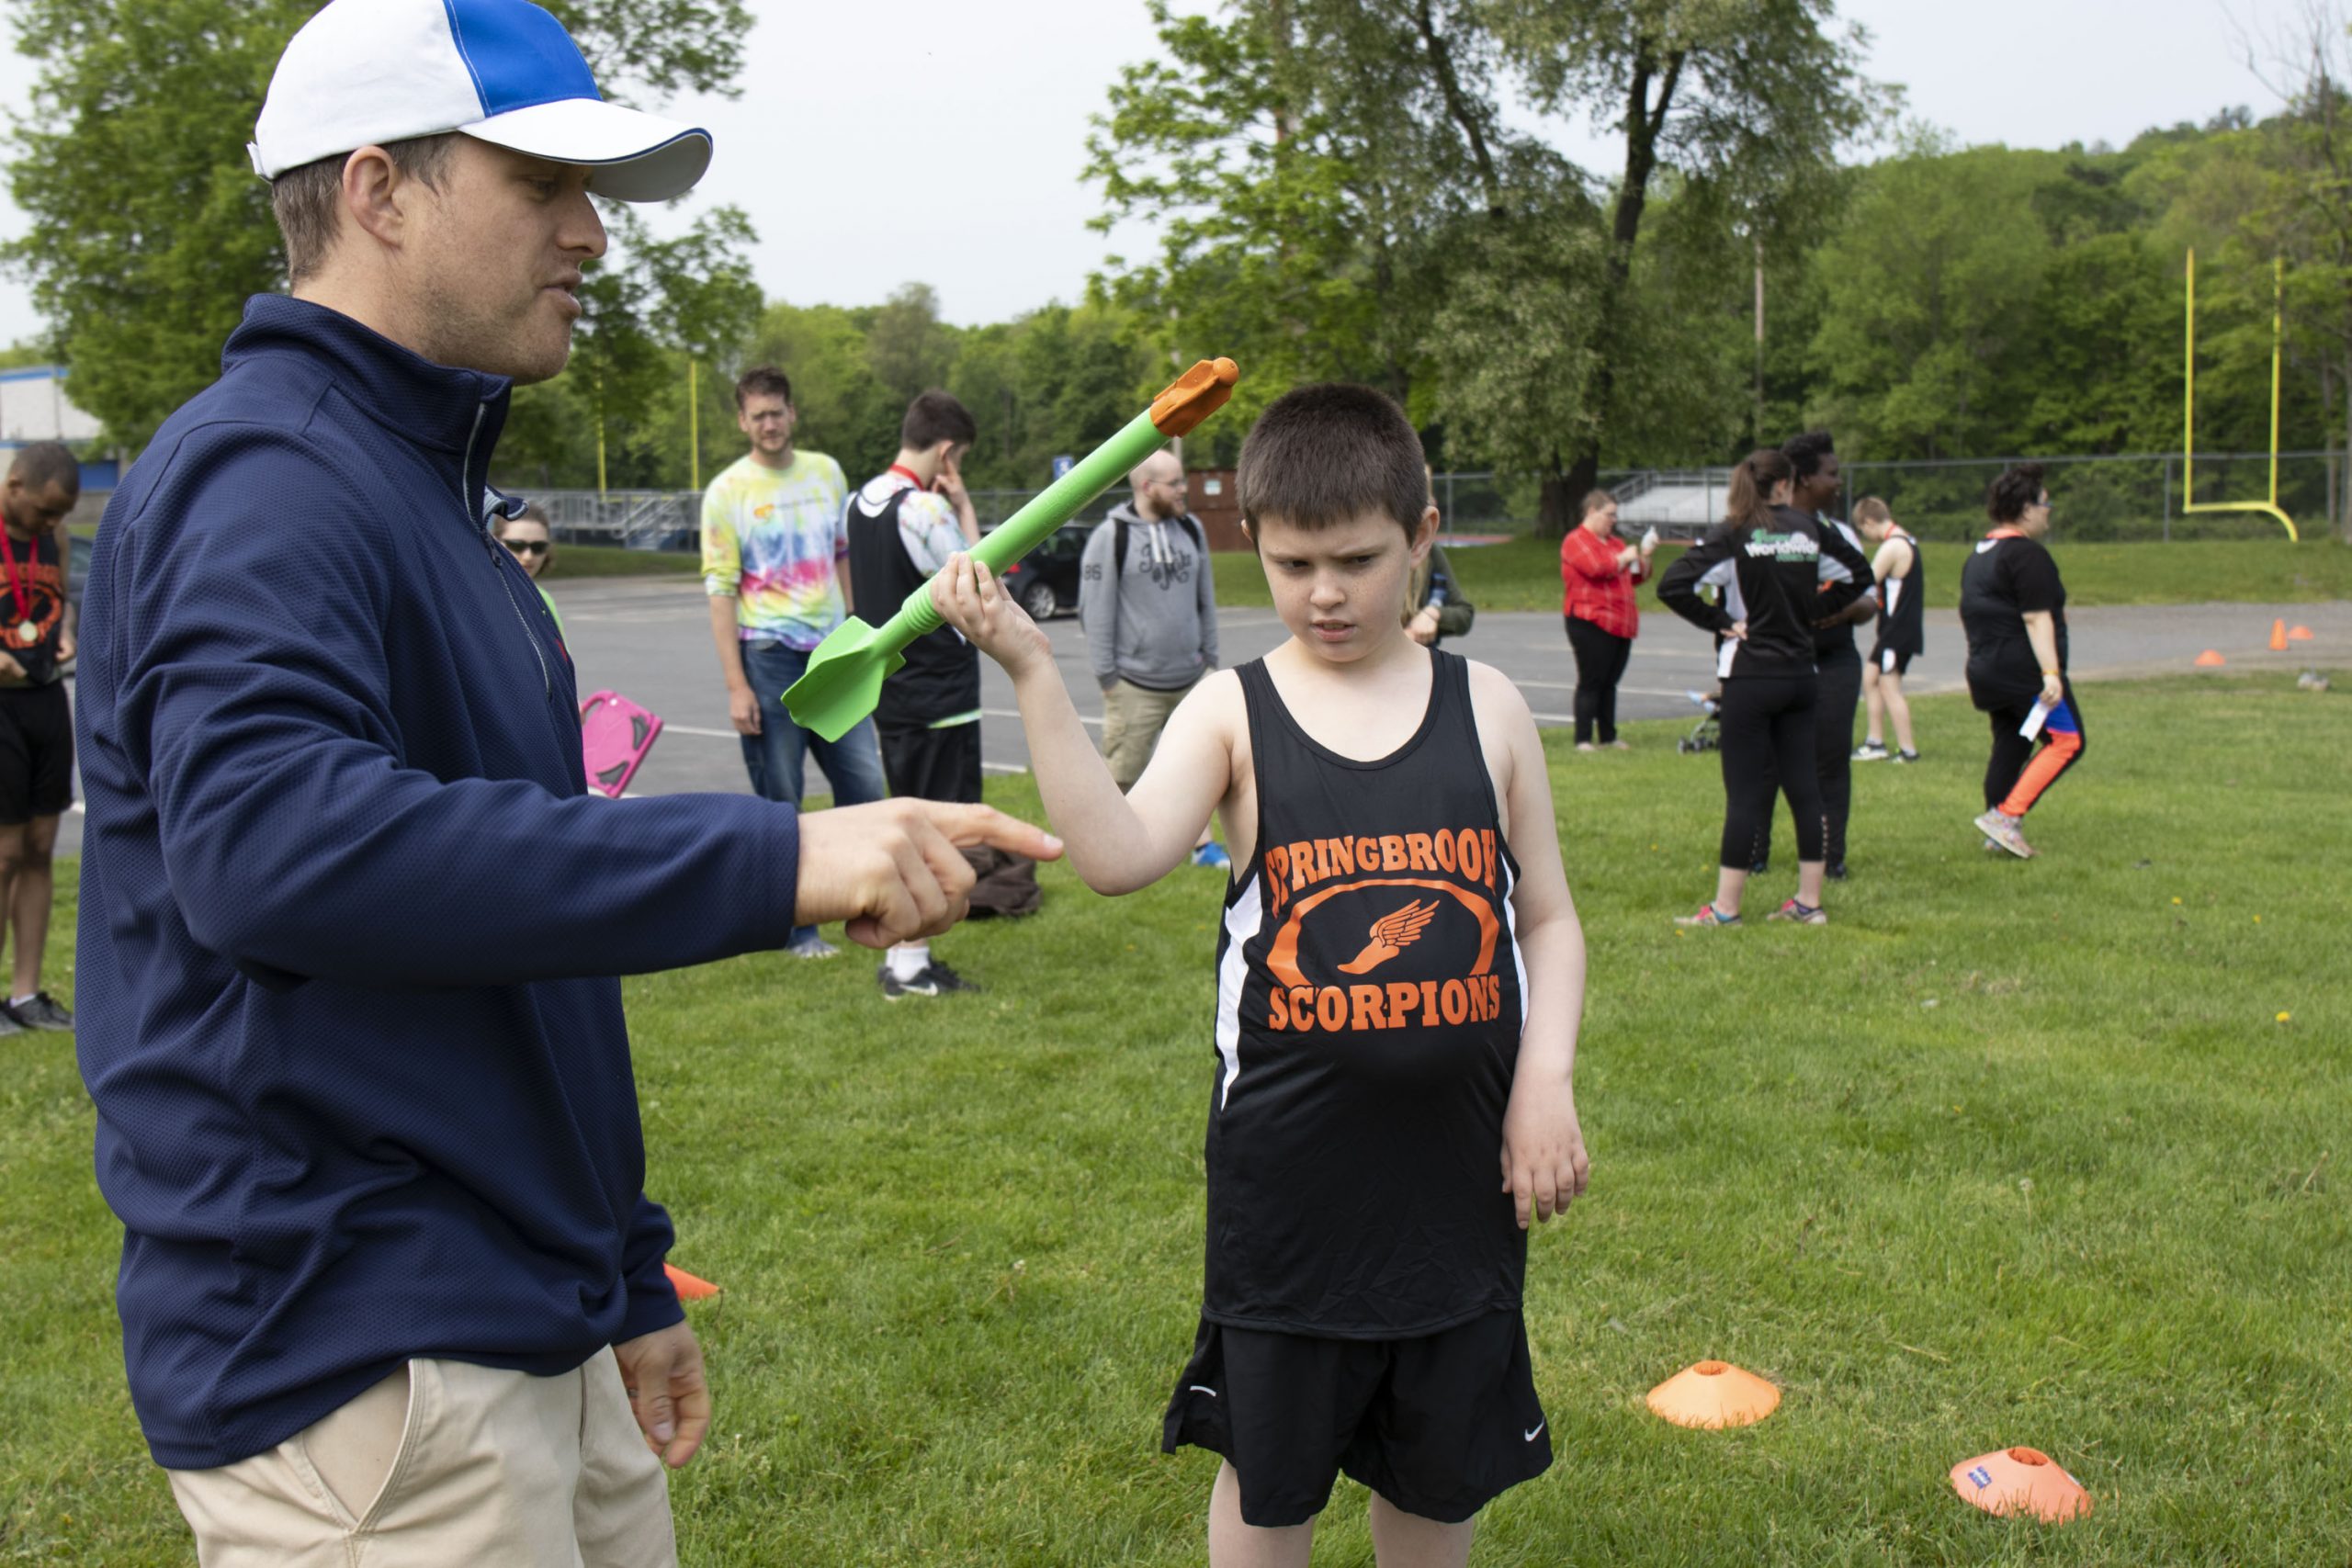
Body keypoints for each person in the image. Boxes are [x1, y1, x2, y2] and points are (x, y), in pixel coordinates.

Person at [73, 5, 1056, 1562]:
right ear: (381, 192)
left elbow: (508, 931)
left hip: (527, 1314)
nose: (593, 234)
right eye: (544, 186)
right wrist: (779, 859)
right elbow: (272, 847)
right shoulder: (263, 475)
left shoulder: (416, 488)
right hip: (361, 1359)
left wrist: (623, 1272)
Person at [931, 382, 1589, 1568]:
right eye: (1293, 564)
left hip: (1459, 1181)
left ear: (1423, 536)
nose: (1325, 592)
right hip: (1292, 1197)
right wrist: (1031, 667)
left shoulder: (1485, 708)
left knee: (1438, 1478)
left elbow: (1545, 917)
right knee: (1269, 1483)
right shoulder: (1233, 709)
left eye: (1357, 558)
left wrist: (1546, 1078)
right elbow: (1121, 853)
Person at [703, 364, 888, 958]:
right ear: (742, 421)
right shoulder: (727, 492)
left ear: (792, 413)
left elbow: (842, 556)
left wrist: (860, 636)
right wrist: (737, 685)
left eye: (776, 412)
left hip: (835, 655)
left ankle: (871, 904)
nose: (769, 424)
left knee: (864, 782)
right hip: (769, 656)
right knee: (781, 797)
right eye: (757, 415)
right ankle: (795, 928)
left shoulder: (827, 473)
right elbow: (720, 592)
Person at [1656, 448, 1873, 927]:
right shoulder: (1810, 528)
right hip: (1801, 674)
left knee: (1745, 794)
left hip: (1750, 677)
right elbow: (1861, 575)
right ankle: (1809, 903)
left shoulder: (1733, 531)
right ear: (1785, 485)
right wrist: (1812, 614)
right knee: (1806, 787)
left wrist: (1725, 622)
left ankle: (1727, 909)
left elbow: (1673, 584)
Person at [845, 389, 994, 999]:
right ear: (948, 450)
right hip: (940, 694)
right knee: (933, 829)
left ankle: (907, 955)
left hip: (892, 688)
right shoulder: (925, 512)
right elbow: (981, 586)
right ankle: (910, 964)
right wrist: (962, 504)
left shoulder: (858, 501)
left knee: (907, 815)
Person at [1080, 446, 1228, 867]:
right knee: (1122, 773)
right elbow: (1096, 611)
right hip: (1133, 683)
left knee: (1201, 770)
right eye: (1176, 483)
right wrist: (1107, 676)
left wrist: (1211, 659)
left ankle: (1203, 848)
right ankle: (1107, 849)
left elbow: (1206, 599)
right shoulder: (1112, 537)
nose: (1185, 489)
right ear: (1148, 487)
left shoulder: (1192, 530)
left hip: (1192, 677)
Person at [1753, 431, 1875, 879]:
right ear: (1802, 479)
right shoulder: (1758, 530)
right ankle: (1753, 854)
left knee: (1829, 758)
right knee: (1764, 761)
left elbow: (1868, 601)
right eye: (1831, 474)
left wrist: (1835, 610)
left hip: (1833, 661)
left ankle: (1829, 857)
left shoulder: (1839, 534)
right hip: (1770, 662)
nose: (1838, 484)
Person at [0, 441, 81, 1037]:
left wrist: (66, 634)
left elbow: (59, 604)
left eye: (61, 516)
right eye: (45, 513)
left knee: (40, 846)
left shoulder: (50, 536)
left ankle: (26, 995)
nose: (53, 525)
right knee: (2, 853)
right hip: (1, 704)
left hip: (47, 697)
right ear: (15, 486)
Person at [1962, 463, 2082, 859]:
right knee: (2067, 741)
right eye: (2046, 503)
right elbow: (2035, 617)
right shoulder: (2027, 555)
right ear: (2026, 509)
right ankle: (2005, 817)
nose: (2050, 510)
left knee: (2012, 744)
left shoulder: (1980, 554)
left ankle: (1996, 832)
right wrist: (2051, 673)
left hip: (1988, 670)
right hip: (2024, 674)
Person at [1558, 488, 1654, 751]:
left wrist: (1644, 557)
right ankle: (1583, 738)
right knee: (1592, 679)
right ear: (1592, 511)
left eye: (1615, 515)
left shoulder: (1614, 543)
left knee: (1610, 682)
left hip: (1619, 622)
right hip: (1590, 620)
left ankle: (1609, 736)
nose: (1613, 520)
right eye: (1609, 514)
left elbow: (1634, 577)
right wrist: (1623, 558)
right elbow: (1596, 568)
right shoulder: (1575, 540)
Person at [1851, 497, 1923, 763]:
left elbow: (1866, 581)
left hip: (1897, 630)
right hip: (1894, 629)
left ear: (1869, 522)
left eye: (1863, 530)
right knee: (1870, 679)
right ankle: (1875, 741)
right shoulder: (1907, 540)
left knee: (1888, 685)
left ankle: (1908, 750)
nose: (1866, 536)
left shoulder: (1893, 546)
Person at [1402, 465, 1476, 652]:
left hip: (1417, 663)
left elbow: (1463, 614)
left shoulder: (1430, 553)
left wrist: (1432, 614)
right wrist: (1403, 638)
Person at [493, 501, 564, 637]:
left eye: (538, 547)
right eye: (516, 545)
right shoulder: (480, 596)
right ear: (494, 542)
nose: (528, 556)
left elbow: (561, 655)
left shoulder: (543, 597)